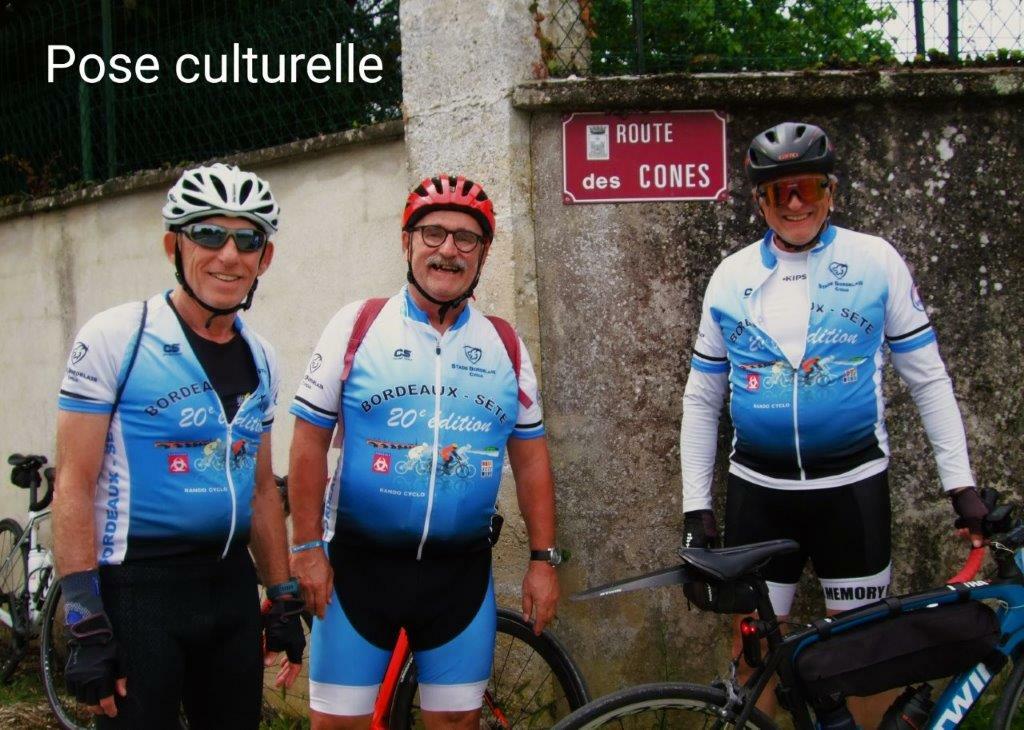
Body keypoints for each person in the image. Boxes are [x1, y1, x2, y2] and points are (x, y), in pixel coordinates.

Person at [679, 122, 987, 724]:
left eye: (810, 188)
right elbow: (702, 397)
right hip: (759, 493)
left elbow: (928, 379)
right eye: (781, 191)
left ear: (832, 193)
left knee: (863, 655)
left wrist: (961, 485)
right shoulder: (730, 276)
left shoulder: (876, 261)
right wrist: (697, 508)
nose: (796, 203)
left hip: (851, 491)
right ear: (760, 201)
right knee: (754, 653)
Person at [288, 174, 561, 729]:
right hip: (358, 572)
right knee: (337, 726)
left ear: (483, 253)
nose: (448, 250)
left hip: (459, 579)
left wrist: (542, 560)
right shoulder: (358, 325)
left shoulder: (505, 344)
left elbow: (531, 457)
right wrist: (307, 547)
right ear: (406, 241)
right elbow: (308, 442)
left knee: (457, 723)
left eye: (466, 238)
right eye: (433, 232)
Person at [53, 163, 305, 727]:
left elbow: (261, 488)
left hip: (229, 588)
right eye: (209, 235)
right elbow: (74, 482)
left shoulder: (262, 355)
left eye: (247, 240)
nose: (229, 255)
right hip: (138, 590)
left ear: (265, 258)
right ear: (175, 245)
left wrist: (282, 592)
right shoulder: (117, 337)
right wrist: (84, 615)